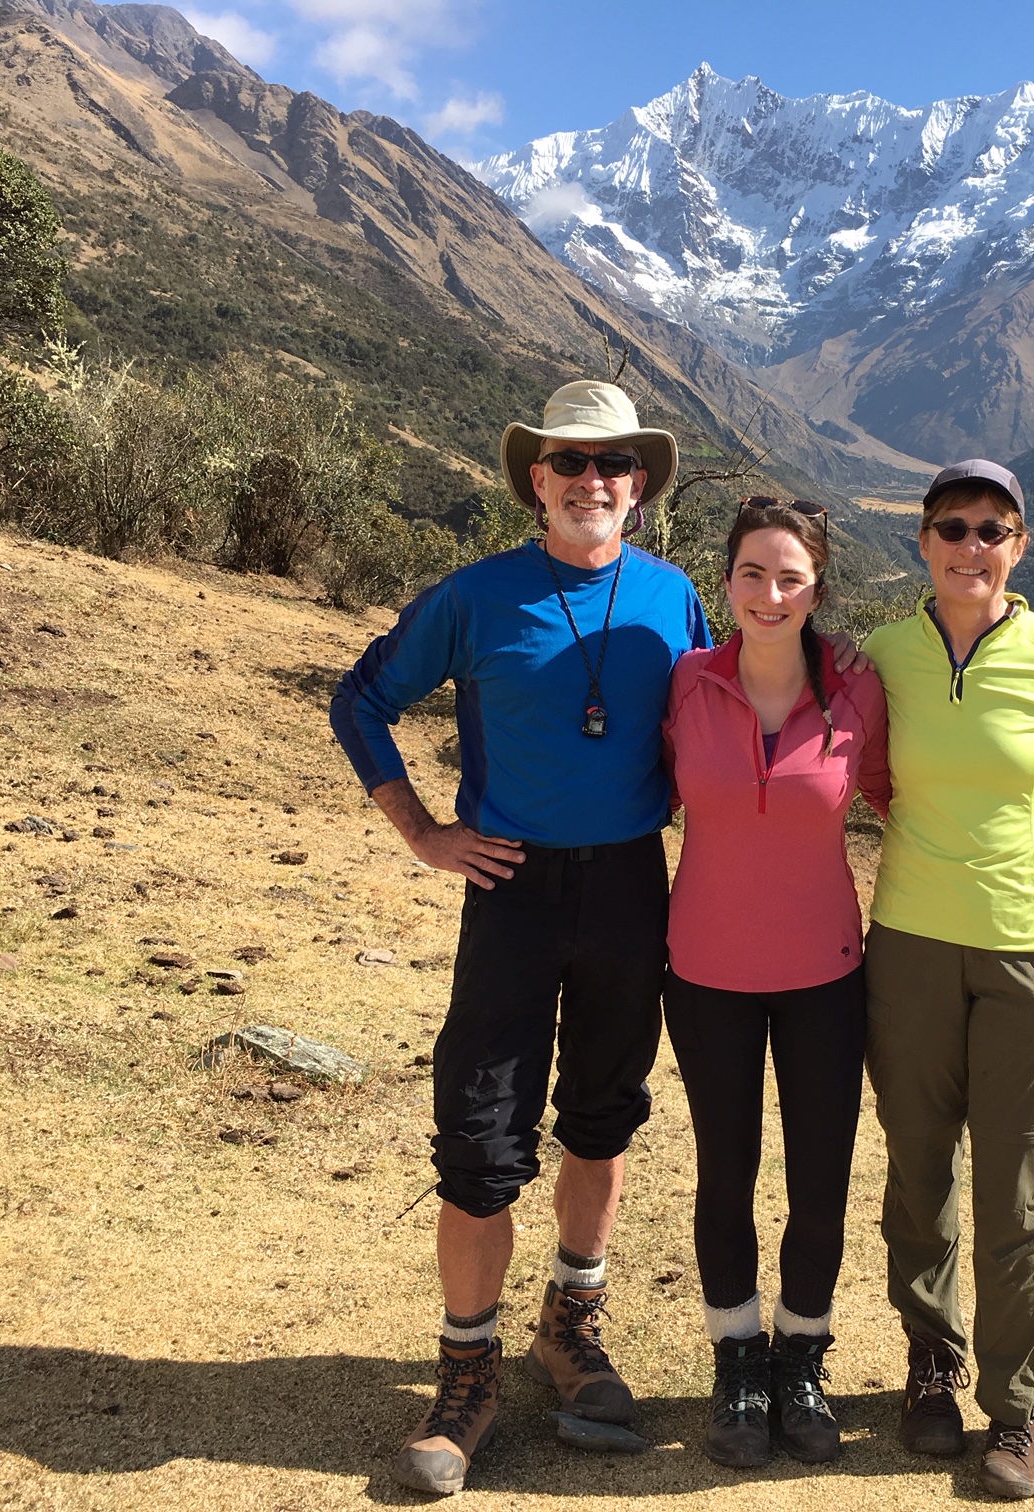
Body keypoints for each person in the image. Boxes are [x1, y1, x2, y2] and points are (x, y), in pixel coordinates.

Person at [329, 379, 706, 1498]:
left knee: (602, 1113)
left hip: (634, 886)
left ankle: (570, 1328)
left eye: (615, 466)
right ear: (537, 479)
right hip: (512, 885)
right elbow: (361, 700)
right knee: (483, 1135)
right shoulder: (476, 597)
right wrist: (422, 831)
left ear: (638, 488)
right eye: (572, 463)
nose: (595, 481)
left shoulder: (677, 597)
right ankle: (467, 1368)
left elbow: (715, 729)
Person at [860, 459, 1034, 1502]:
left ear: (1021, 547)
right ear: (922, 542)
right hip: (911, 946)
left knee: (1022, 1192)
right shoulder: (882, 656)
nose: (972, 547)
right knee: (918, 1174)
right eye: (953, 528)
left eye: (993, 530)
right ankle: (931, 1365)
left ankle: (1020, 1409)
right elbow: (852, 766)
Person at [657, 499, 889, 1469]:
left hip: (825, 977)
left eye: (790, 576)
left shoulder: (857, 694)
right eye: (753, 573)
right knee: (727, 1173)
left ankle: (802, 1355)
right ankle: (736, 1359)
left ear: (817, 590)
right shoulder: (686, 682)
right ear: (727, 582)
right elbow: (637, 786)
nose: (769, 593)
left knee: (821, 1181)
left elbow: (908, 793)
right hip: (703, 971)